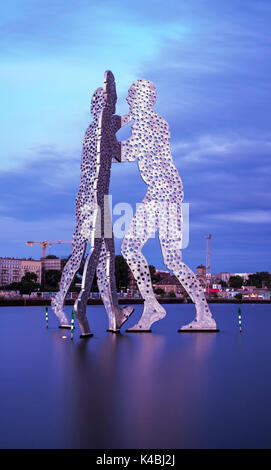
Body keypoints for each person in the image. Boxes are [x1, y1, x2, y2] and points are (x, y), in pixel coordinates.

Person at [120, 79, 217, 331]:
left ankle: (152, 306)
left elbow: (124, 154)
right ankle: (204, 315)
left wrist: (103, 135)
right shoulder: (155, 120)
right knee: (173, 259)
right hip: (168, 189)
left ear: (142, 99)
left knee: (130, 247)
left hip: (162, 191)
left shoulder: (148, 123)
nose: (128, 101)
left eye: (131, 97)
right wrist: (120, 121)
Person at [52, 71, 133, 335]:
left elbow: (114, 129)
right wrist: (138, 123)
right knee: (97, 252)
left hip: (87, 199)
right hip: (98, 200)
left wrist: (130, 116)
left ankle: (114, 315)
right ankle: (82, 303)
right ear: (105, 106)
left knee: (104, 253)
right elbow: (121, 153)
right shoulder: (103, 130)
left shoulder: (91, 131)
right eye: (111, 103)